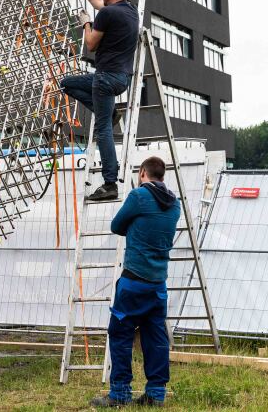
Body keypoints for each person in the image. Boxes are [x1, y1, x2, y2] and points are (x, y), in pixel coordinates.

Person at [90, 156, 180, 408]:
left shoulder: (139, 196)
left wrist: (135, 226)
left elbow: (116, 225)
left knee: (120, 335)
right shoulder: (175, 205)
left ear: (143, 173)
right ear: (162, 176)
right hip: (158, 283)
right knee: (155, 337)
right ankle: (156, 394)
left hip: (133, 281)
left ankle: (119, 393)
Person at [60, 0, 139, 201]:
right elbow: (95, 0)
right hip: (121, 79)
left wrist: (86, 23)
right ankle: (110, 111)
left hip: (104, 78)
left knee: (103, 129)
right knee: (67, 83)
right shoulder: (130, 11)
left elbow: (91, 44)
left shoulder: (106, 15)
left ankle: (109, 183)